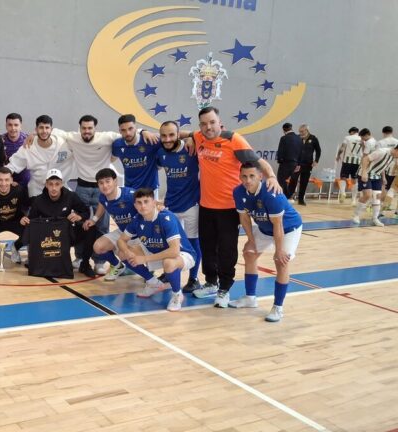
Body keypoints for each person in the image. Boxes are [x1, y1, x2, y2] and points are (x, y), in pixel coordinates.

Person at [181, 107, 282, 307]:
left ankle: (224, 288)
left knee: (226, 250)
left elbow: (258, 162)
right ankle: (211, 282)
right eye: (203, 124)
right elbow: (182, 133)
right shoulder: (200, 136)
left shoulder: (233, 140)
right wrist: (150, 133)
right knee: (207, 247)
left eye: (212, 122)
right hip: (206, 206)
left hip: (229, 208)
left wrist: (271, 176)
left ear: (220, 123)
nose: (208, 127)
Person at [50, 115, 156, 274]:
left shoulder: (107, 137)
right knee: (81, 225)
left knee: (102, 225)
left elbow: (128, 133)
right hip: (82, 187)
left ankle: (100, 261)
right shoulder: (73, 137)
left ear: (95, 128)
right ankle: (79, 258)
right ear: (79, 129)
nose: (87, 131)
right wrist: (32, 135)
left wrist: (144, 131)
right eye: (84, 128)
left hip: (103, 189)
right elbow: (53, 131)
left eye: (90, 128)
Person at [230, 161, 304, 322]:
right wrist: (250, 240)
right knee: (249, 253)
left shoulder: (271, 193)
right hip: (265, 229)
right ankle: (250, 298)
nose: (248, 180)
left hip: (288, 228)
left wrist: (279, 250)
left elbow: (278, 225)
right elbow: (244, 218)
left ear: (260, 176)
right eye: (244, 176)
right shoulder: (238, 192)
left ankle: (278, 307)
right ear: (239, 176)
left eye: (252, 176)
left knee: (281, 261)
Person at [118, 188, 197, 312]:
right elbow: (121, 240)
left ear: (154, 202)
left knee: (168, 262)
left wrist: (143, 259)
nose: (143, 206)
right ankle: (153, 283)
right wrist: (128, 253)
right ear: (135, 205)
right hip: (156, 251)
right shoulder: (137, 219)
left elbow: (174, 251)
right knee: (122, 253)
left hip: (183, 254)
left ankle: (177, 294)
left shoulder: (166, 218)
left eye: (146, 201)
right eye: (139, 202)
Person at [22, 169, 96, 277]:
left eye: (57, 184)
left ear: (61, 184)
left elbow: (85, 211)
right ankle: (36, 261)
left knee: (90, 228)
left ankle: (85, 264)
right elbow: (31, 220)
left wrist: (79, 216)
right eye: (51, 184)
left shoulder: (70, 196)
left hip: (67, 235)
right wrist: (25, 220)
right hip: (47, 238)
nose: (54, 188)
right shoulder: (38, 200)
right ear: (46, 185)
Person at [156, 120, 202, 292]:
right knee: (170, 243)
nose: (167, 139)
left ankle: (194, 278)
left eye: (171, 135)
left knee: (192, 243)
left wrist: (191, 136)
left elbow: (205, 133)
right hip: (171, 205)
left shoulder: (191, 149)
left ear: (178, 134)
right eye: (163, 135)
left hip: (192, 205)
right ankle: (169, 273)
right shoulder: (160, 152)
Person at [83, 168, 137, 281]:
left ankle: (151, 278)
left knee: (125, 255)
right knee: (98, 247)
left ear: (115, 181)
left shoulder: (130, 195)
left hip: (140, 235)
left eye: (108, 181)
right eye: (101, 183)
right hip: (123, 233)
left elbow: (148, 203)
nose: (105, 185)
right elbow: (102, 204)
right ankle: (118, 266)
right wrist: (94, 219)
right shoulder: (103, 197)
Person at [6, 114, 74, 199]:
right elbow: (12, 165)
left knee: (72, 209)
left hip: (61, 187)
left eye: (47, 128)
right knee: (38, 210)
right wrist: (3, 178)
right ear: (36, 129)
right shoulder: (28, 147)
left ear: (52, 130)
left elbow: (81, 140)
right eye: (41, 127)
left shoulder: (65, 144)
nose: (44, 131)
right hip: (37, 190)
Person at [0, 167, 29, 263]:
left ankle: (15, 247)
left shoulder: (19, 190)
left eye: (7, 180)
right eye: (0, 180)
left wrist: (25, 217)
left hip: (16, 220)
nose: (3, 183)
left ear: (12, 180)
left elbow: (26, 206)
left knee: (30, 229)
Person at [112, 114, 162, 193]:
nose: (128, 133)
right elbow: (111, 159)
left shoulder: (150, 140)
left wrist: (189, 136)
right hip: (130, 189)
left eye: (130, 128)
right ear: (119, 131)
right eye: (123, 130)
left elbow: (172, 138)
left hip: (151, 189)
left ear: (136, 127)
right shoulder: (117, 145)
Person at [352, 144, 398, 226]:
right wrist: (364, 173)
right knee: (367, 195)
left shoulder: (393, 156)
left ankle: (375, 218)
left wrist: (383, 177)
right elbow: (365, 159)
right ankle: (356, 215)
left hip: (377, 176)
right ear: (396, 150)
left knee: (377, 197)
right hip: (366, 174)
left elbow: (382, 166)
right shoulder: (381, 152)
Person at [287, 124, 321, 205]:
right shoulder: (297, 138)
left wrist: (316, 160)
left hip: (308, 164)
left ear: (307, 130)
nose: (301, 133)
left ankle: (301, 199)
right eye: (299, 132)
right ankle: (288, 197)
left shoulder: (313, 138)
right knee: (293, 180)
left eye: (302, 131)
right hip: (297, 164)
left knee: (304, 182)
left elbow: (318, 150)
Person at [1, 113, 30, 189]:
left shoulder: (28, 140)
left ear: (21, 126)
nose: (13, 128)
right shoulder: (0, 140)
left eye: (16, 125)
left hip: (26, 180)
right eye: (10, 125)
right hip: (5, 181)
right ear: (6, 126)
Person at [276, 122, 302, 200]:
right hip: (295, 163)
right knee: (289, 180)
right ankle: (288, 195)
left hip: (285, 163)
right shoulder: (299, 138)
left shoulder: (284, 138)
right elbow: (301, 152)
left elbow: (280, 151)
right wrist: (298, 164)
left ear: (284, 130)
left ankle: (282, 197)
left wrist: (280, 161)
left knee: (280, 179)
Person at [336, 127, 361, 205]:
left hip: (347, 161)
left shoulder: (348, 138)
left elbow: (342, 148)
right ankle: (353, 200)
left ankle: (343, 193)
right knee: (355, 180)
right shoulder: (362, 139)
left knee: (343, 177)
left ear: (352, 132)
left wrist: (338, 155)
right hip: (357, 162)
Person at [377, 126, 398, 213]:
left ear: (383, 132)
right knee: (392, 188)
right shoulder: (396, 141)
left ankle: (382, 207)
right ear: (392, 131)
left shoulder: (381, 142)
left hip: (386, 166)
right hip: (394, 166)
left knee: (387, 188)